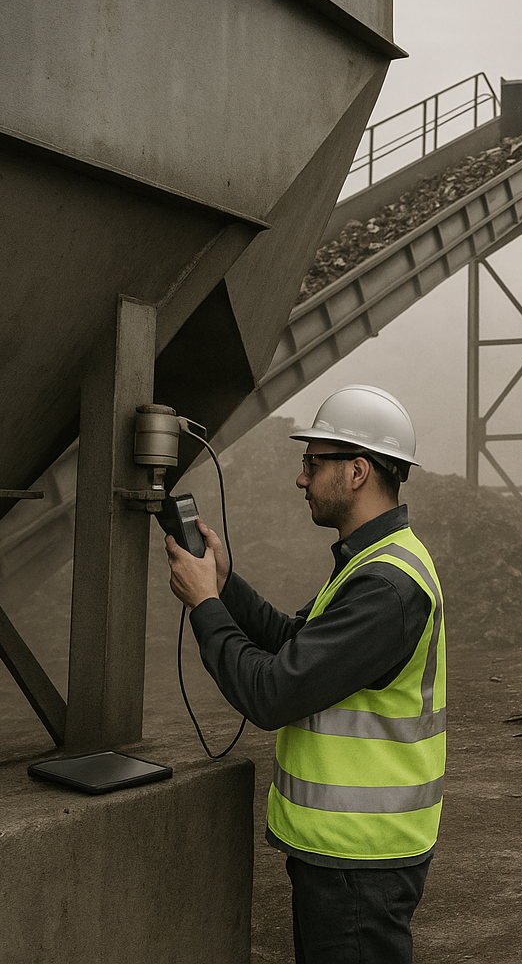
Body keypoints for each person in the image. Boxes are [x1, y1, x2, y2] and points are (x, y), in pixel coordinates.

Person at [165, 384, 446, 964]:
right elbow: (297, 644)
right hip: (347, 858)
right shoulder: (372, 563)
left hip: (360, 862)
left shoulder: (385, 588)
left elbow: (272, 693)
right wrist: (223, 582)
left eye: (312, 462)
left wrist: (204, 606)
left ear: (358, 470)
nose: (301, 478)